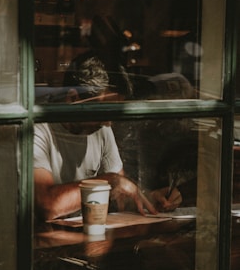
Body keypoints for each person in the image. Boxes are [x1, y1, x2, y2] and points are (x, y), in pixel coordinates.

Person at [34, 54, 182, 222]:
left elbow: (120, 196)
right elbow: (46, 205)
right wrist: (109, 181)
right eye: (104, 111)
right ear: (74, 98)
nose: (109, 123)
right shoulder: (39, 129)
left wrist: (150, 199)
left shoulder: (100, 128)